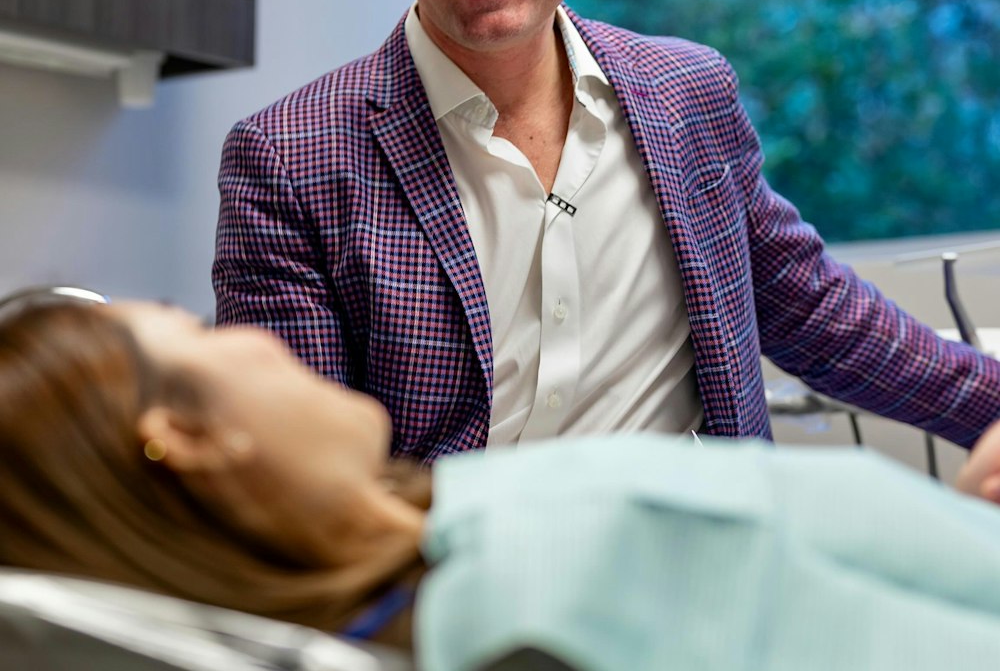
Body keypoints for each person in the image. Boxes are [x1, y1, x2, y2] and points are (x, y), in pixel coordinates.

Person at [212, 0, 1000, 462]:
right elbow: (297, 470)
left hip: (697, 572)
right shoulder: (288, 161)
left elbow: (817, 315)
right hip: (453, 590)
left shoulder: (687, 96)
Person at [4, 294, 1000, 671]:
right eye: (202, 327)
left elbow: (822, 316)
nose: (257, 337)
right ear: (186, 434)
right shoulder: (565, 573)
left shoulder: (491, 551)